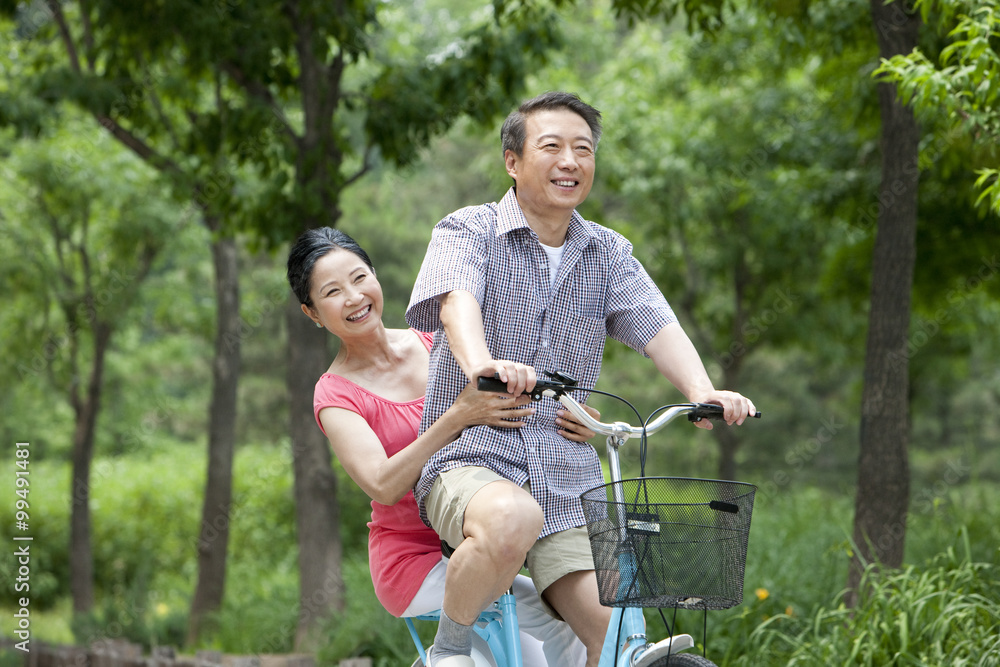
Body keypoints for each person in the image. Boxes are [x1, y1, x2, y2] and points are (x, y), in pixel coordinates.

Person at [405, 91, 758, 667]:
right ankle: (451, 649)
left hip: (567, 478)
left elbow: (656, 324)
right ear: (513, 161)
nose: (570, 161)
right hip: (472, 457)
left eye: (583, 150)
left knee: (619, 631)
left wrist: (702, 391)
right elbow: (455, 304)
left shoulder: (607, 252)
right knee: (512, 518)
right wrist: (482, 367)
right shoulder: (468, 230)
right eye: (552, 147)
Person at [286, 226, 588, 667]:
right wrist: (457, 416)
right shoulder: (335, 395)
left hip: (483, 533)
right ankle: (446, 654)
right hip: (416, 559)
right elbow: (383, 485)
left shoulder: (438, 344)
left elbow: (506, 404)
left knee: (569, 616)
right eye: (332, 292)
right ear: (312, 312)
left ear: (375, 276)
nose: (353, 297)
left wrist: (571, 418)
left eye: (359, 277)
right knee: (545, 623)